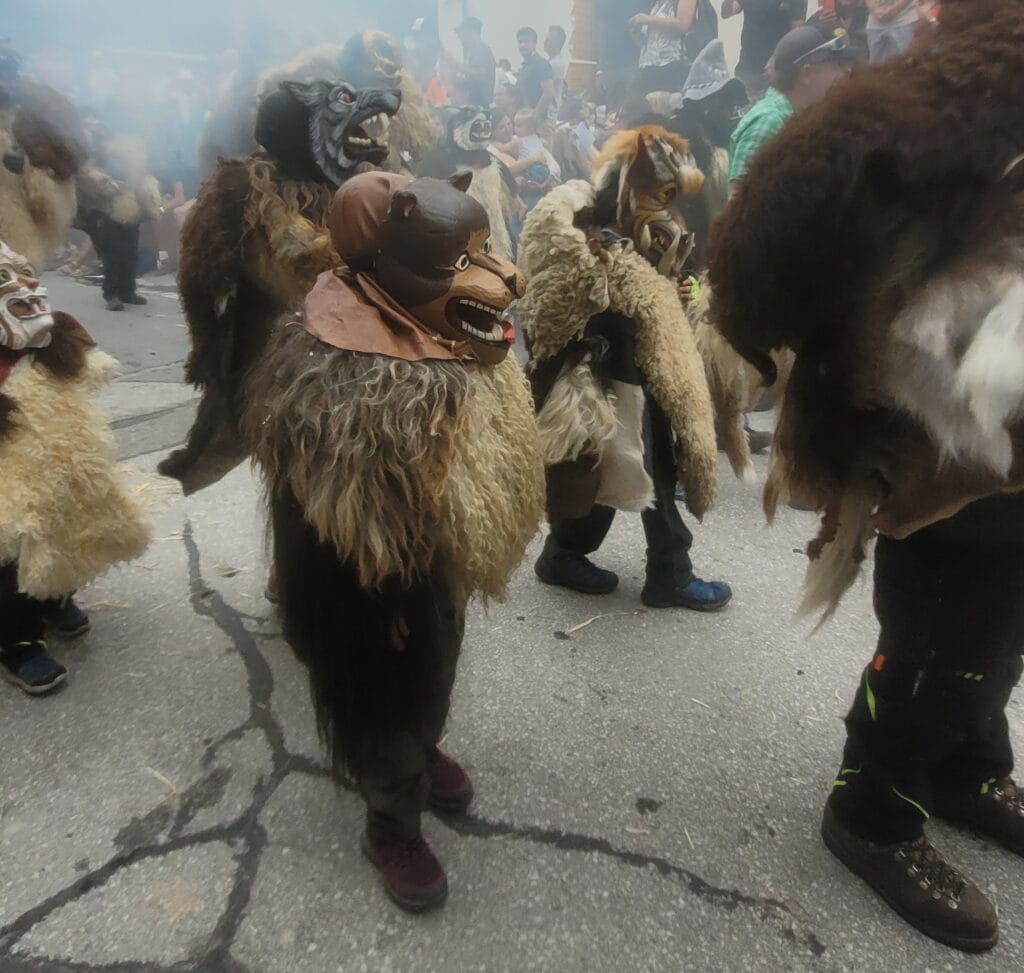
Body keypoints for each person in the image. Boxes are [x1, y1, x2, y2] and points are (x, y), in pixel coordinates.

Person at [520, 126, 733, 612]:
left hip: (647, 368)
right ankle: (669, 574)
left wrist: (684, 292)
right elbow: (558, 308)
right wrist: (614, 278)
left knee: (630, 467)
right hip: (612, 373)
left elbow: (684, 283)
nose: (671, 212)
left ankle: (564, 554)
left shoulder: (651, 233)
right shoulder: (585, 234)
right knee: (640, 466)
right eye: (662, 195)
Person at [728, 24, 854, 183]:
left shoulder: (798, 117)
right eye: (836, 65)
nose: (847, 71)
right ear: (807, 74)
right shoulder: (768, 122)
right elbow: (739, 199)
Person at [721, 0, 808, 100]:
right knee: (743, 113)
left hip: (776, 72)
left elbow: (797, 33)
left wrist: (776, 57)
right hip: (747, 70)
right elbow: (727, 12)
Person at [633, 0, 698, 94]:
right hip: (649, 69)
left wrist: (649, 19)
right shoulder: (655, 6)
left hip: (673, 67)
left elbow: (683, 24)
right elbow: (650, 42)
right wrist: (636, 34)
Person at [450, 15, 496, 108]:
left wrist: (458, 66)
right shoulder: (471, 50)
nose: (459, 36)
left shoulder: (480, 48)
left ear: (470, 31)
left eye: (461, 32)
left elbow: (481, 75)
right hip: (475, 101)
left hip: (481, 102)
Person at [516, 27, 555, 119]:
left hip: (537, 122)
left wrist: (534, 115)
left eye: (526, 41)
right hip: (524, 119)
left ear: (534, 43)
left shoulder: (541, 63)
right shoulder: (524, 66)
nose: (522, 45)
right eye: (520, 42)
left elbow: (548, 93)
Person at [544, 25, 569, 117]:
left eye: (548, 40)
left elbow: (546, 90)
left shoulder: (555, 64)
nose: (544, 42)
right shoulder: (550, 61)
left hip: (549, 113)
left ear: (557, 43)